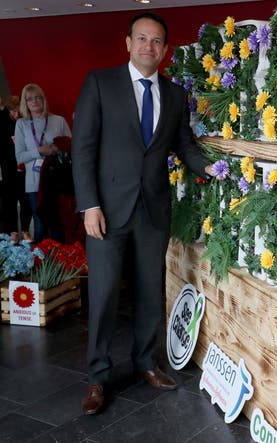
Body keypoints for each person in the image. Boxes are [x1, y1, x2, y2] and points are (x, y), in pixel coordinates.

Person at [72, 12, 216, 416]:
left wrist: (205, 167)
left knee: (150, 292)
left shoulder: (174, 95)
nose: (148, 46)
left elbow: (183, 144)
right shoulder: (100, 84)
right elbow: (83, 150)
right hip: (107, 213)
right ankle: (98, 376)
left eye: (156, 41)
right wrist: (90, 206)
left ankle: (145, 362)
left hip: (152, 211)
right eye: (141, 38)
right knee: (102, 296)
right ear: (128, 43)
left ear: (165, 50)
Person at [14, 84, 71, 243]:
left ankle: (63, 264)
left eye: (38, 97)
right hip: (34, 183)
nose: (35, 101)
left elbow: (71, 148)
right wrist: (40, 151)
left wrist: (57, 149)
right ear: (25, 103)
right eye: (30, 99)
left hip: (57, 182)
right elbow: (19, 157)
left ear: (44, 99)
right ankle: (43, 266)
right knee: (40, 225)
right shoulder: (21, 124)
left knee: (59, 225)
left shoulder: (58, 120)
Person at [0, 95, 32, 240]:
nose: (16, 114)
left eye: (18, 111)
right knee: (9, 199)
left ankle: (25, 229)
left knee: (25, 199)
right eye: (13, 111)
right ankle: (12, 231)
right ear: (8, 111)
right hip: (7, 165)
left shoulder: (26, 122)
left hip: (25, 166)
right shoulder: (3, 121)